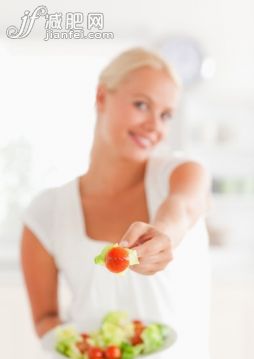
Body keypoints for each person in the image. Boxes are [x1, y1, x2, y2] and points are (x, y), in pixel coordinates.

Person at [21, 47, 211, 359]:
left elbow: (182, 208)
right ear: (101, 97)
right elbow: (45, 319)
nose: (155, 126)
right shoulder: (46, 213)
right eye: (141, 105)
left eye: (166, 115)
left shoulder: (181, 173)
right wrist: (85, 349)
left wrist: (162, 234)